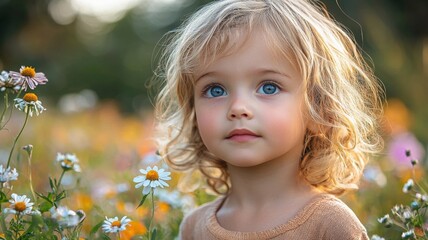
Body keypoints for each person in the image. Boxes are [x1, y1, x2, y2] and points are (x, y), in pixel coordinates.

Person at [153, 0, 384, 239]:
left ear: (320, 107)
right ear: (192, 112)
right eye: (215, 90)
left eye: (269, 87)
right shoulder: (194, 228)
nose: (238, 108)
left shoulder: (331, 224)